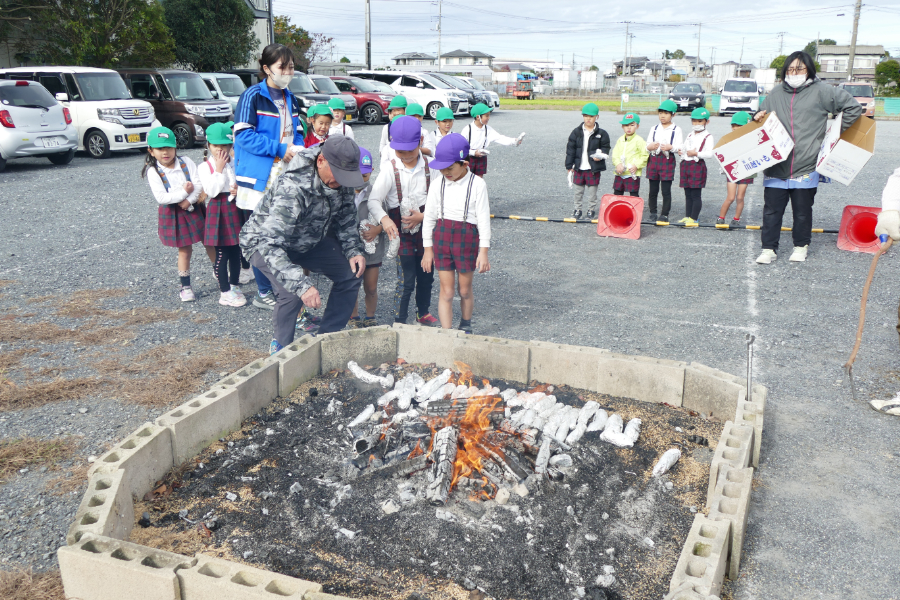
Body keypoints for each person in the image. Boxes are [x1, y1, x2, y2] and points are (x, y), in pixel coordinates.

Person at [240, 136, 367, 354]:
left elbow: (346, 218)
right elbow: (271, 243)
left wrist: (353, 250)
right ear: (321, 161)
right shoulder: (293, 187)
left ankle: (326, 342)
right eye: (337, 176)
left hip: (308, 238)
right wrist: (302, 285)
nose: (340, 182)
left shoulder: (340, 177)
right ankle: (280, 351)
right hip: (264, 242)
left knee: (350, 273)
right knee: (291, 292)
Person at [752, 50, 862, 264]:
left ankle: (800, 246)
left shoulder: (822, 91)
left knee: (802, 212)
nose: (795, 73)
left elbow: (853, 108)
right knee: (771, 212)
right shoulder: (775, 94)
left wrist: (834, 134)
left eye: (800, 69)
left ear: (809, 69)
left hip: (807, 165)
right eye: (790, 69)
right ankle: (768, 249)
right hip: (777, 165)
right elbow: (760, 116)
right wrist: (755, 116)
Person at [234, 43, 305, 311]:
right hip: (258, 179)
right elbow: (243, 135)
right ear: (266, 68)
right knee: (259, 237)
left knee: (281, 234)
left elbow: (297, 130)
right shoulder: (252, 96)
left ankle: (281, 287)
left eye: (291, 67)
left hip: (284, 175)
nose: (287, 72)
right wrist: (278, 149)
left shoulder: (291, 97)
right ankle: (264, 291)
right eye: (281, 67)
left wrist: (296, 147)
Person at [367, 116, 440, 327]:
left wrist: (423, 217)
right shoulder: (391, 168)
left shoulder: (431, 167)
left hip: (426, 228)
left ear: (420, 143)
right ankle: (400, 320)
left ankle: (423, 312)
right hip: (401, 231)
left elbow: (440, 202)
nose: (406, 156)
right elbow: (374, 200)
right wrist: (385, 219)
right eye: (400, 151)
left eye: (410, 150)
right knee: (406, 280)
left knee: (426, 275)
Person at [422, 133, 491, 334]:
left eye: (450, 168)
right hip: (442, 238)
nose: (445, 172)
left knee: (464, 289)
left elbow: (484, 220)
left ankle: (466, 324)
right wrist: (428, 250)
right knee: (447, 290)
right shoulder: (437, 184)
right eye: (442, 168)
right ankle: (447, 333)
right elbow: (429, 218)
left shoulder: (477, 184)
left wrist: (483, 251)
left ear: (464, 163)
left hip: (466, 237)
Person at [142, 126, 211, 303]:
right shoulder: (153, 171)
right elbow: (162, 197)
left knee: (209, 241)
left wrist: (188, 200)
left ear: (175, 147)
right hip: (174, 212)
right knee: (185, 249)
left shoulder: (186, 161)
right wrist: (182, 193)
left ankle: (220, 273)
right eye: (160, 149)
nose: (165, 152)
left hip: (194, 206)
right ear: (151, 150)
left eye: (169, 147)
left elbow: (197, 184)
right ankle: (185, 286)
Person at [198, 122, 246, 307]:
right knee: (222, 252)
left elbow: (241, 182)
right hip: (218, 209)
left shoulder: (235, 162)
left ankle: (234, 286)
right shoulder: (205, 167)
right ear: (208, 145)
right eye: (216, 145)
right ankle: (224, 291)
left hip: (235, 208)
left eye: (225, 145)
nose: (221, 149)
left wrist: (237, 189)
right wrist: (218, 169)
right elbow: (211, 191)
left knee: (236, 250)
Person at [347, 147, 388, 328]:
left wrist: (378, 229)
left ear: (371, 171)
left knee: (371, 287)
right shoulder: (343, 192)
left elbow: (388, 219)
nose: (361, 179)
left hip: (372, 250)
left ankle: (370, 316)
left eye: (365, 175)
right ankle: (353, 316)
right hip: (350, 251)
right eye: (356, 174)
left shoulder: (376, 193)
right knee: (352, 286)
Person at [565, 102, 611, 220]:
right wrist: (569, 166)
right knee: (578, 191)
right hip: (579, 167)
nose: (588, 119)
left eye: (591, 116)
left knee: (592, 192)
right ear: (583, 117)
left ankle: (591, 210)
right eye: (585, 116)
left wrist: (600, 156)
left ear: (597, 117)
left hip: (593, 168)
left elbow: (606, 148)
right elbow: (570, 149)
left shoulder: (602, 134)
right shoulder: (576, 132)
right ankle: (577, 209)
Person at [460, 103, 523, 178]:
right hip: (468, 157)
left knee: (479, 179)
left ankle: (479, 190)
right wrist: (473, 152)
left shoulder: (488, 129)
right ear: (478, 117)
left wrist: (514, 141)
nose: (488, 118)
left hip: (481, 157)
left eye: (489, 115)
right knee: (466, 178)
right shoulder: (467, 129)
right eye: (486, 116)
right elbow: (461, 148)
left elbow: (500, 138)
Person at [645, 100, 683, 223]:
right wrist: (650, 146)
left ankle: (664, 214)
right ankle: (653, 212)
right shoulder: (654, 128)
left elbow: (680, 147)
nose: (662, 116)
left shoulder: (676, 130)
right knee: (653, 189)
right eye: (660, 113)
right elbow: (647, 145)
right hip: (654, 160)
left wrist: (671, 147)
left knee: (666, 190)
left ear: (673, 115)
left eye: (666, 113)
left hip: (667, 160)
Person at [677, 107, 714, 224]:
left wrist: (696, 153)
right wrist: (681, 151)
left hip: (697, 165)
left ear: (706, 122)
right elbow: (684, 147)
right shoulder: (690, 134)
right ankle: (688, 216)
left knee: (695, 194)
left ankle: (694, 218)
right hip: (686, 164)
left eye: (700, 121)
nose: (696, 123)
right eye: (694, 121)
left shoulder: (708, 136)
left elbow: (710, 153)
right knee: (687, 193)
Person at [717, 111, 754, 226]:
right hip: (733, 170)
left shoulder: (751, 139)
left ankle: (736, 219)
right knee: (731, 196)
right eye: (733, 126)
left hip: (747, 171)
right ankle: (721, 218)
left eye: (739, 126)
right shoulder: (728, 139)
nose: (735, 128)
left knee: (740, 197)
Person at [610, 113, 649, 197]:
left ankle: (633, 210)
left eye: (632, 125)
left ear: (637, 126)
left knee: (633, 194)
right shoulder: (620, 140)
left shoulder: (639, 140)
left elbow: (644, 155)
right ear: (622, 127)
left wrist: (636, 166)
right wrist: (618, 164)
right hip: (620, 173)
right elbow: (615, 154)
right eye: (626, 125)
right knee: (617, 193)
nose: (629, 127)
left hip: (632, 173)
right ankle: (618, 210)